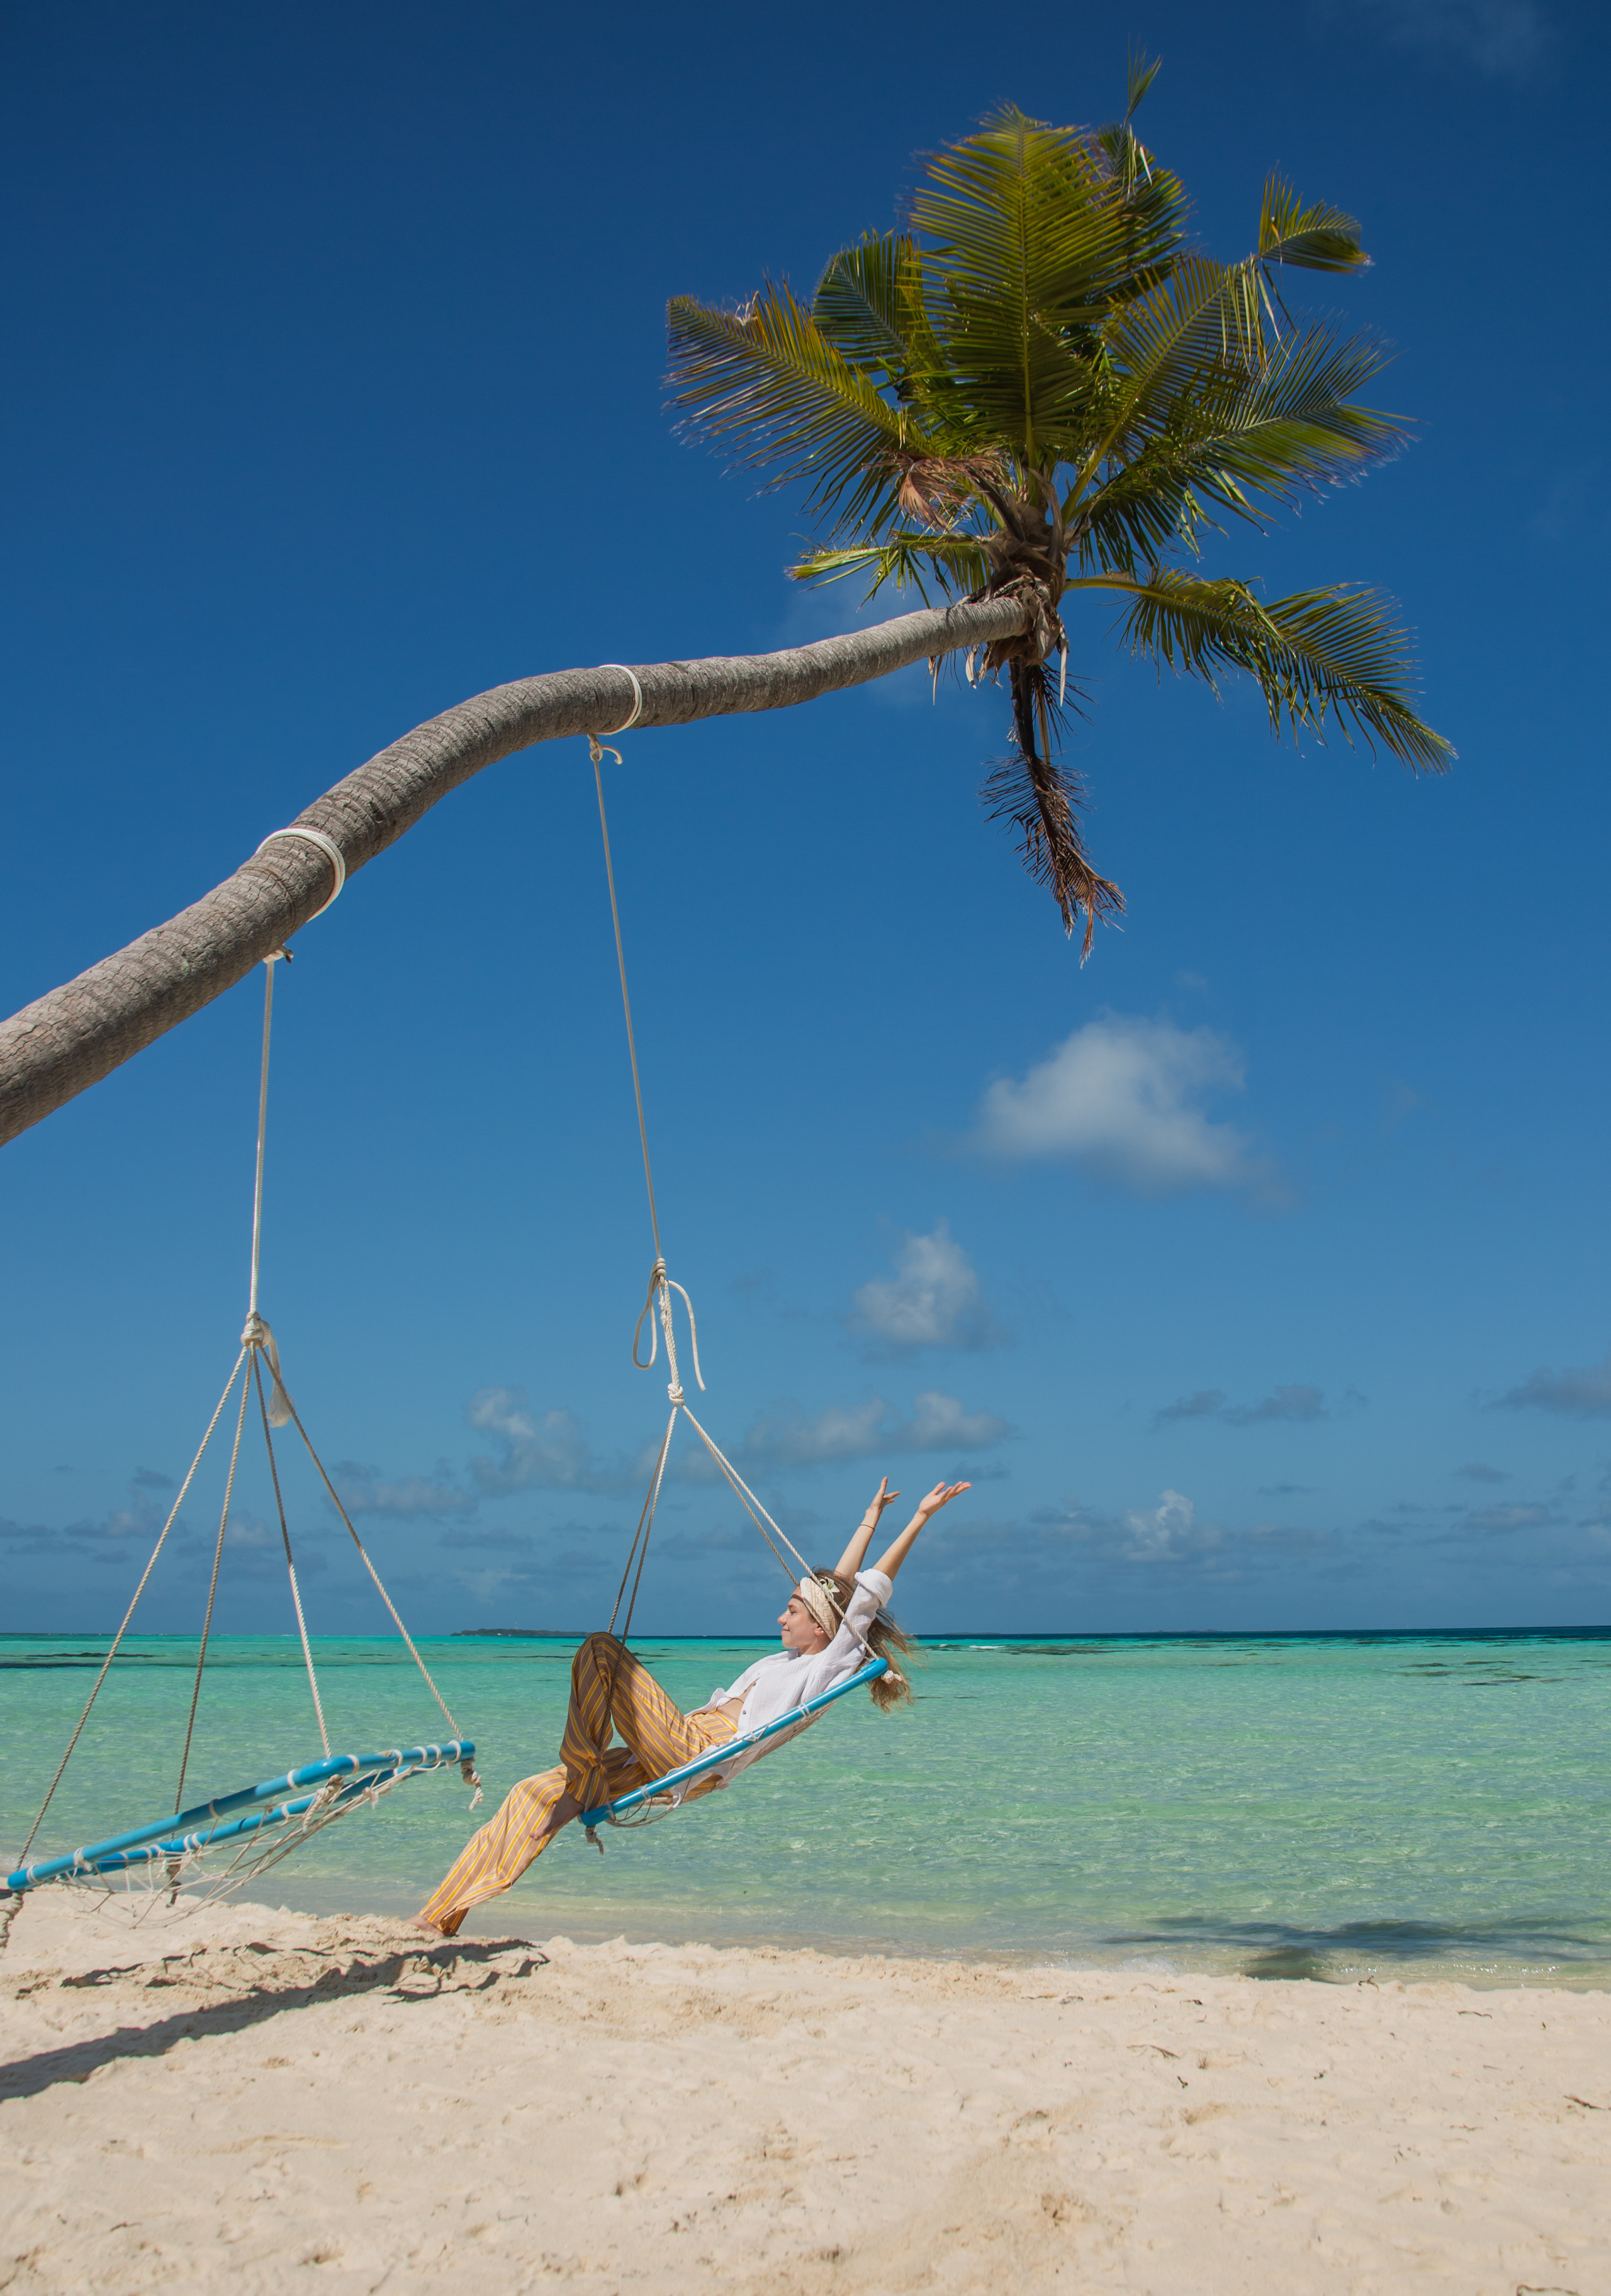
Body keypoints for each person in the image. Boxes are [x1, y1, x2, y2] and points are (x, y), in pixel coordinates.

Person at [414, 1474, 970, 1935]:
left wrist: (919, 1519)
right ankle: (441, 1915)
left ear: (822, 1628)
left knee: (601, 1651)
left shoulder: (824, 1667)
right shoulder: (788, 1659)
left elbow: (863, 1595)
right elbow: (839, 1585)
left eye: (792, 1611)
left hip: (697, 1753)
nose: (781, 1617)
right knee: (531, 1793)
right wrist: (870, 1516)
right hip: (675, 1742)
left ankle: (581, 1781)